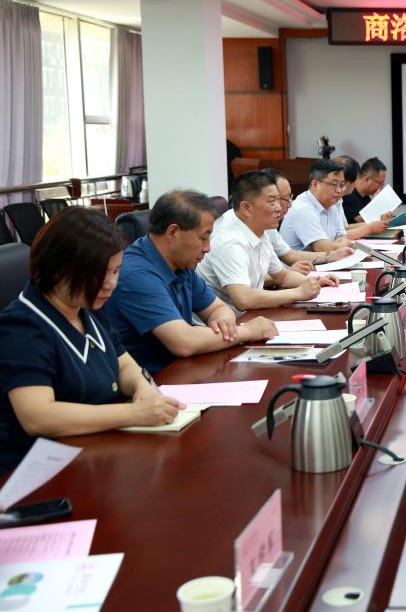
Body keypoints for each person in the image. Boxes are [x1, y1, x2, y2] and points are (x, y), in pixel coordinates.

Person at [0, 208, 184, 472]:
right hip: (39, 471)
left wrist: (143, 389)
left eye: (116, 271)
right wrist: (135, 413)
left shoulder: (89, 309)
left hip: (95, 453)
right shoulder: (22, 326)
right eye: (99, 273)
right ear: (59, 268)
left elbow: (124, 365)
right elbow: (38, 417)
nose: (110, 284)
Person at [103, 190, 278, 374]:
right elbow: (184, 342)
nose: (208, 248)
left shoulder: (181, 263)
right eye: (203, 237)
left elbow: (218, 309)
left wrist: (223, 322)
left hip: (182, 370)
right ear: (173, 232)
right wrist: (248, 331)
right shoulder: (137, 274)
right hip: (153, 381)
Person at [198, 171, 340, 314]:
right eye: (272, 202)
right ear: (246, 208)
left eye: (278, 200)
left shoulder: (259, 229)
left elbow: (283, 276)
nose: (279, 207)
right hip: (229, 322)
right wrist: (298, 293)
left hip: (252, 315)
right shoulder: (230, 241)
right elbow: (243, 299)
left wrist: (315, 281)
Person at [256, 168, 353, 273]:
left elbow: (290, 255)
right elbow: (248, 281)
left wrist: (334, 255)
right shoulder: (302, 208)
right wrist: (288, 272)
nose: (290, 204)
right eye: (273, 200)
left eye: (290, 197)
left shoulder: (269, 228)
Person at [280, 160, 387, 251]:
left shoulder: (331, 205)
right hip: (300, 267)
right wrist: (338, 245)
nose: (339, 190)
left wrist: (338, 244)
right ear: (315, 184)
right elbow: (322, 247)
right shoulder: (303, 208)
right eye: (334, 184)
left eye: (341, 185)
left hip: (325, 263)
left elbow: (342, 236)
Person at [342, 157, 394, 225]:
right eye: (380, 183)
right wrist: (379, 202)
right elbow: (364, 221)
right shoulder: (348, 194)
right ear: (367, 179)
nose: (381, 187)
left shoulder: (365, 196)